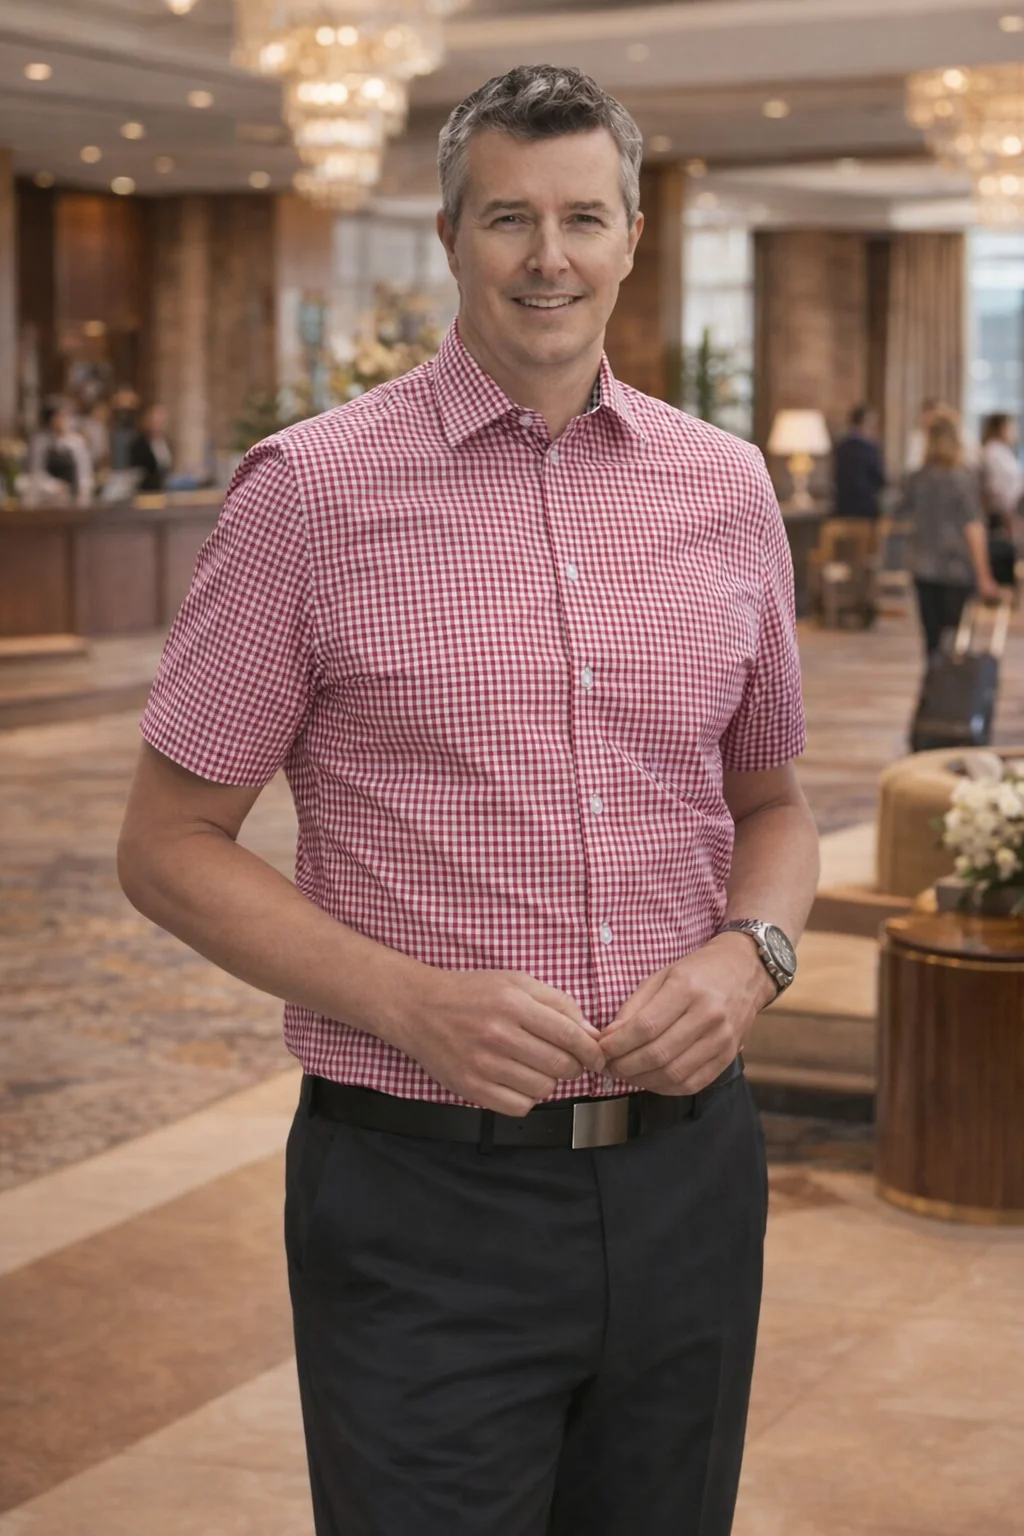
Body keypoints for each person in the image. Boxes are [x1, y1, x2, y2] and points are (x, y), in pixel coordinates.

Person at [118, 65, 820, 1536]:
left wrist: (749, 954)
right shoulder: (311, 493)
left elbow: (772, 805)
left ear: (631, 237)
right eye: (509, 217)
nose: (547, 256)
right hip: (418, 1195)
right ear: (450, 237)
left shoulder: (725, 488)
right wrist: (408, 1002)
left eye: (582, 218)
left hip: (690, 1184)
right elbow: (169, 847)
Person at [902, 414, 1000, 656]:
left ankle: (934, 677)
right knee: (955, 639)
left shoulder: (917, 478)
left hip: (923, 565)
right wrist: (984, 575)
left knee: (932, 639)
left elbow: (904, 515)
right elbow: (973, 527)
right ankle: (948, 678)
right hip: (956, 568)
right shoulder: (962, 478)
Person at [979, 411, 1022, 587]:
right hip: (1001, 517)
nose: (1014, 431)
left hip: (1011, 513)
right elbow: (997, 489)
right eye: (1011, 427)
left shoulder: (1004, 452)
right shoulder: (992, 452)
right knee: (1004, 570)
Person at [27, 402, 94, 504]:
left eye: (65, 417)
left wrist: (83, 494)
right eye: (58, 417)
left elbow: (84, 473)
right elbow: (36, 472)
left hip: (73, 497)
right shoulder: (40, 442)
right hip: (46, 497)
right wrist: (54, 486)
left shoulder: (77, 443)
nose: (62, 421)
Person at [833, 403, 886, 521]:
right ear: (865, 423)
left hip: (842, 507)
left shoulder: (841, 447)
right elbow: (879, 479)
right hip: (865, 509)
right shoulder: (870, 448)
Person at [128, 404, 173, 492]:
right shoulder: (140, 443)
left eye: (160, 421)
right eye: (154, 421)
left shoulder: (167, 442)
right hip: (146, 490)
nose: (157, 424)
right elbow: (138, 471)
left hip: (164, 489)